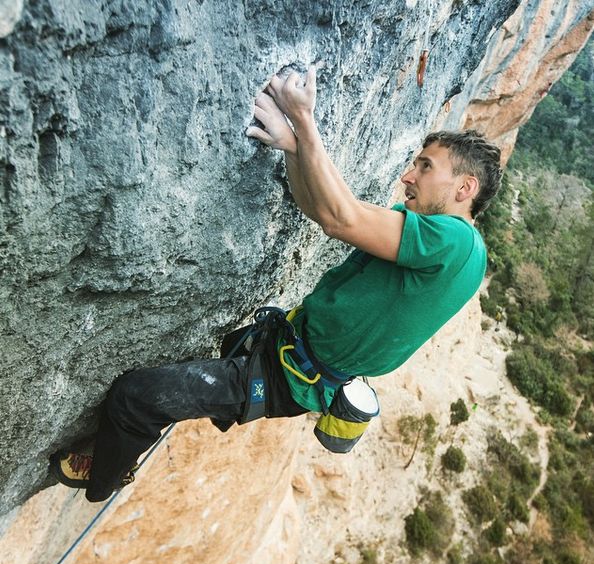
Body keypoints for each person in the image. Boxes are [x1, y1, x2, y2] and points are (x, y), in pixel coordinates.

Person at [50, 66, 502, 502]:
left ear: (464, 188)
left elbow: (341, 217)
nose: (408, 175)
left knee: (136, 397)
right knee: (164, 391)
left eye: (425, 167)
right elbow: (322, 211)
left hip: (287, 378)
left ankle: (105, 476)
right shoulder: (442, 245)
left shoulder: (455, 242)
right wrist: (292, 147)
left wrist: (305, 123)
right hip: (289, 354)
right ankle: (120, 453)